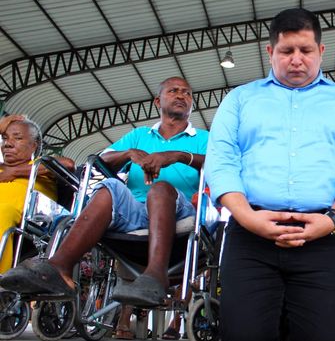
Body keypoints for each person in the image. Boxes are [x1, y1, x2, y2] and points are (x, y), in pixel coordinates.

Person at [205, 8, 335, 341]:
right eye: (286, 51)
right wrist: (248, 217)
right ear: (270, 52)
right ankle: (265, 315)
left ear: (321, 51)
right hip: (252, 230)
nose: (296, 59)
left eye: (305, 50)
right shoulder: (240, 99)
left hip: (321, 231)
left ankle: (287, 316)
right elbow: (221, 161)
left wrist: (333, 219)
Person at [0, 77, 208, 309]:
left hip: (179, 212)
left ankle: (156, 276)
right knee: (110, 186)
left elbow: (220, 165)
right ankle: (59, 268)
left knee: (160, 189)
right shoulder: (139, 135)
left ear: (192, 104)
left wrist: (179, 156)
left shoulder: (203, 138)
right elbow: (99, 160)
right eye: (173, 91)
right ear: (157, 101)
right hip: (135, 213)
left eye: (186, 93)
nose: (181, 95)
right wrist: (128, 153)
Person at [0, 114, 75, 274]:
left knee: (3, 211)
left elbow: (68, 164)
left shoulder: (39, 165)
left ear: (34, 146)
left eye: (17, 138)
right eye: (5, 138)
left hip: (27, 220)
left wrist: (14, 172)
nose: (7, 143)